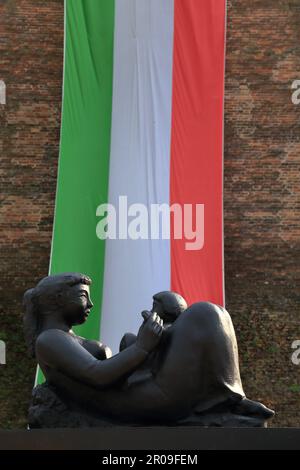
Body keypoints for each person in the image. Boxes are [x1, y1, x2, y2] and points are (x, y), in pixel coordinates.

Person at [23, 273, 274, 426]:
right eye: (82, 296)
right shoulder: (49, 341)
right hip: (138, 402)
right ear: (56, 301)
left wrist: (145, 344)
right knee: (205, 314)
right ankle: (230, 399)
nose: (90, 303)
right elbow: (97, 375)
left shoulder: (63, 338)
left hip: (141, 390)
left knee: (206, 315)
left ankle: (229, 399)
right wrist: (143, 347)